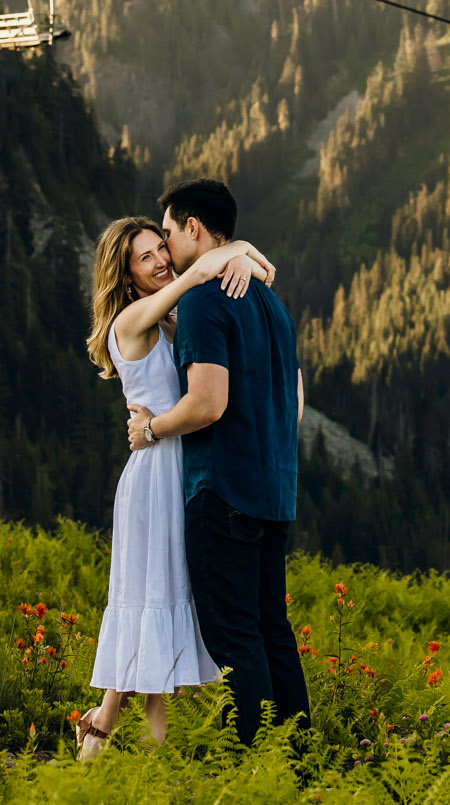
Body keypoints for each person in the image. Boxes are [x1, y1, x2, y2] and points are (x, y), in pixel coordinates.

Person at [74, 214, 275, 760]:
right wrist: (239, 255)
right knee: (151, 601)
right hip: (154, 478)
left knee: (155, 602)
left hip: (175, 469)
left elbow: (205, 271)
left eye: (162, 248)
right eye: (146, 257)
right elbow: (197, 273)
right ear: (127, 273)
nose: (162, 260)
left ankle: (106, 732)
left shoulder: (163, 322)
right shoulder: (132, 321)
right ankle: (126, 748)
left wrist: (239, 255)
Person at [126, 177, 309, 744]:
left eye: (169, 233)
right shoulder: (268, 299)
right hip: (275, 489)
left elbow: (207, 403)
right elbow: (294, 400)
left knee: (235, 640)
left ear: (193, 229)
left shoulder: (204, 300)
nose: (166, 247)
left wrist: (151, 428)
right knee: (273, 631)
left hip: (223, 490)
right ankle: (298, 758)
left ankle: (252, 763)